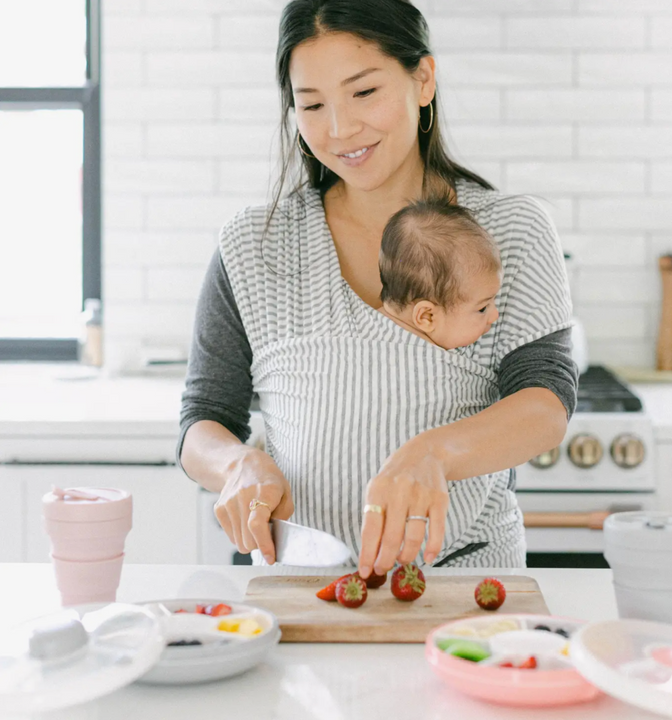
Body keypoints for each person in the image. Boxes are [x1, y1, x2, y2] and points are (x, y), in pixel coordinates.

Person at [178, 0, 578, 577]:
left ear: (423, 79)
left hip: (464, 582)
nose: (339, 129)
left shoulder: (511, 229)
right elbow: (203, 418)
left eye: (363, 93)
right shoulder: (253, 244)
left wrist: (433, 452)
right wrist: (236, 463)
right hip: (299, 577)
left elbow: (546, 404)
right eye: (312, 104)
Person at [377, 197, 502, 350]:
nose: (495, 315)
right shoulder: (437, 369)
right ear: (427, 317)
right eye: (482, 308)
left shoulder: (353, 326)